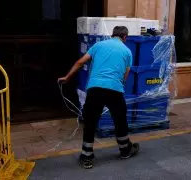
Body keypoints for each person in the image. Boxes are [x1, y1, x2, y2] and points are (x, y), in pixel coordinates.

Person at [58, 26, 139, 169]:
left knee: (90, 122)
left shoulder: (98, 45)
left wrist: (67, 77)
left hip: (95, 88)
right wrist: (117, 87)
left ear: (112, 35)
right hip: (115, 88)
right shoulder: (127, 51)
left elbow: (80, 62)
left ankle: (86, 157)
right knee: (120, 121)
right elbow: (125, 75)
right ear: (125, 37)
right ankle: (125, 150)